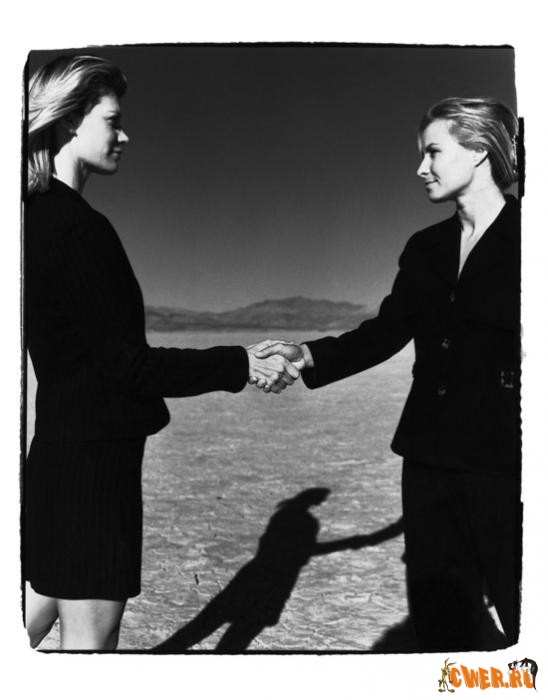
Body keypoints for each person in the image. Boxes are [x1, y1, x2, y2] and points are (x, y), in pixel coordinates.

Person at [24, 54, 300, 651]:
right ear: (69, 120)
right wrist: (240, 363)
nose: (125, 135)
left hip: (54, 462)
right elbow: (128, 365)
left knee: (27, 621)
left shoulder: (29, 220)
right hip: (95, 475)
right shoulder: (76, 227)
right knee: (87, 658)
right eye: (112, 120)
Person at [252, 97, 521, 651]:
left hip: (510, 463)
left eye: (433, 152)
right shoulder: (424, 249)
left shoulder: (530, 238)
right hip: (428, 460)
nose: (420, 168)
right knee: (441, 626)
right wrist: (307, 355)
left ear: (478, 150)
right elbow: (384, 332)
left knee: (525, 618)